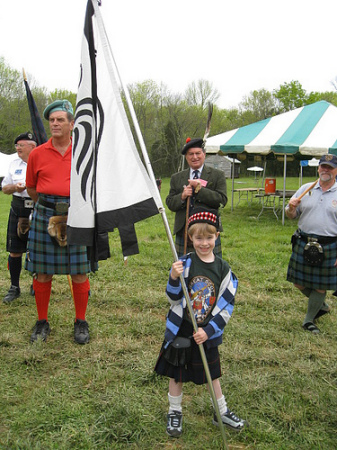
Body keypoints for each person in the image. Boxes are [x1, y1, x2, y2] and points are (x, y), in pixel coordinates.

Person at [155, 207, 246, 437]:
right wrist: (174, 277)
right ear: (190, 238)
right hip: (183, 330)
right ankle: (174, 411)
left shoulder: (224, 270)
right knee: (177, 374)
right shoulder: (183, 264)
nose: (204, 243)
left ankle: (220, 411)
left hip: (207, 332)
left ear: (216, 236)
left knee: (212, 374)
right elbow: (173, 298)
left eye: (209, 237)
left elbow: (226, 307)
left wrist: (209, 330)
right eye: (198, 238)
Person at [25, 99, 92, 344]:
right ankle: (42, 321)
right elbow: (32, 188)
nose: (54, 123)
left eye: (60, 119)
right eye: (51, 120)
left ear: (71, 124)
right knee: (42, 272)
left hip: (76, 214)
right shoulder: (37, 153)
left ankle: (81, 321)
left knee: (79, 272)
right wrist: (51, 206)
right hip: (45, 213)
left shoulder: (83, 151)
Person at [286, 154, 337, 334]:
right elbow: (291, 215)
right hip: (304, 242)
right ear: (318, 168)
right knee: (298, 283)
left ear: (336, 171)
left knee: (319, 285)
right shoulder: (306, 188)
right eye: (323, 166)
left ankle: (309, 320)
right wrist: (291, 208)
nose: (325, 170)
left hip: (329, 246)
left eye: (330, 167)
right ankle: (320, 305)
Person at [166, 137, 227, 257]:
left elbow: (222, 200)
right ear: (186, 157)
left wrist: (199, 191)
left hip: (208, 229)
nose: (194, 157)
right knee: (184, 268)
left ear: (204, 155)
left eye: (198, 153)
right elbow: (170, 203)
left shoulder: (217, 175)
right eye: (191, 154)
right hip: (184, 230)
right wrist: (182, 196)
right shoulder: (176, 178)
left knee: (211, 267)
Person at [1, 132, 37, 303]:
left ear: (32, 146)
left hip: (38, 205)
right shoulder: (13, 163)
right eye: (16, 146)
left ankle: (37, 284)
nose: (17, 149)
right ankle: (14, 287)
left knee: (37, 248)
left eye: (21, 145)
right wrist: (15, 186)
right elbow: (4, 189)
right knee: (15, 250)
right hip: (18, 207)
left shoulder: (41, 161)